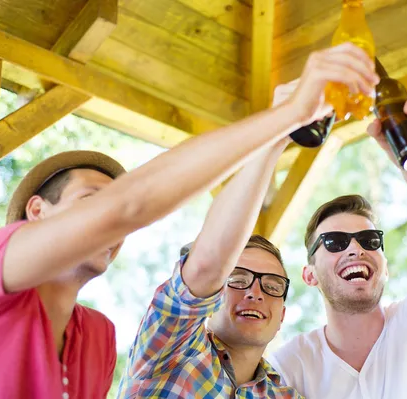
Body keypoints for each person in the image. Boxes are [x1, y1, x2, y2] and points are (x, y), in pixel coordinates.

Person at [0, 42, 379, 399]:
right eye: (91, 201)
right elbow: (138, 213)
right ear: (36, 211)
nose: (112, 224)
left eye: (271, 286)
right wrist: (287, 115)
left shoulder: (96, 338)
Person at [116, 43, 381, 398]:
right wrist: (283, 124)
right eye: (238, 278)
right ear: (212, 296)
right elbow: (208, 263)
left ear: (283, 314)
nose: (255, 292)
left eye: (272, 285)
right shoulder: (170, 351)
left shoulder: (284, 394)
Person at [268, 91, 407, 398]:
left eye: (369, 240)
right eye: (334, 242)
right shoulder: (289, 365)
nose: (355, 249)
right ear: (309, 275)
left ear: (385, 267)